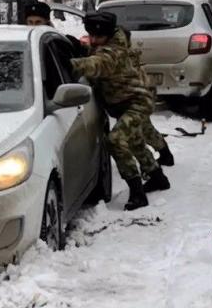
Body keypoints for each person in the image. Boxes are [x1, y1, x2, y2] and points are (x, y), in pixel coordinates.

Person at [70, 12, 170, 211]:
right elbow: (94, 52)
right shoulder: (106, 43)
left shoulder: (114, 51)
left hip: (137, 102)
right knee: (134, 140)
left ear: (108, 34)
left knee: (116, 140)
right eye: (92, 36)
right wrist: (79, 47)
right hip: (126, 102)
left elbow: (97, 63)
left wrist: (71, 64)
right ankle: (158, 177)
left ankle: (137, 193)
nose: (95, 40)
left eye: (99, 37)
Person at [114, 28, 175, 167]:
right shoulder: (126, 55)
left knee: (136, 131)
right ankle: (165, 154)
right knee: (146, 128)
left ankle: (153, 164)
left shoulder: (122, 57)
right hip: (141, 95)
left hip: (137, 98)